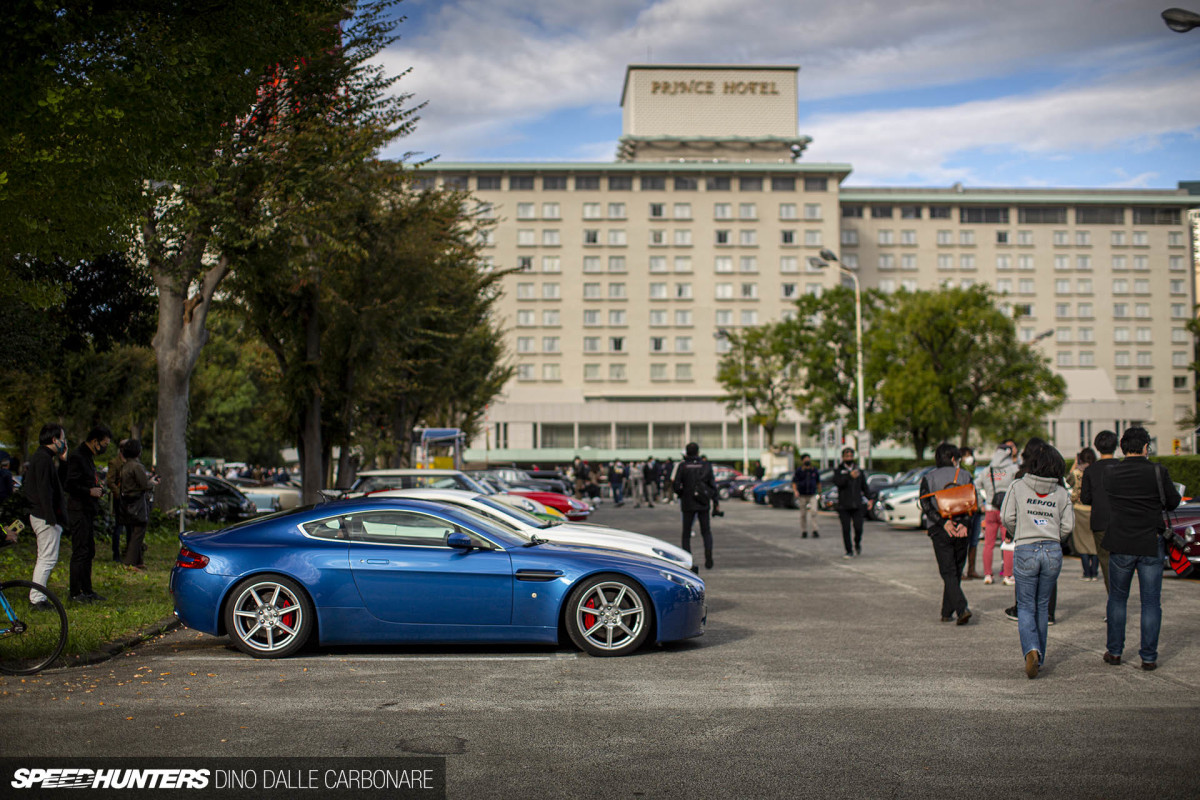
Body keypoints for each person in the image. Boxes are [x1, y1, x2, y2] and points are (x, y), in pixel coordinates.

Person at [1100, 426, 1180, 671]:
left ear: (1123, 447)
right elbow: (1174, 502)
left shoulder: (1111, 473)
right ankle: (1148, 656)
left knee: (1117, 599)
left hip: (1121, 542)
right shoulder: (1158, 471)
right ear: (1147, 447)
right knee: (1151, 602)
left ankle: (1114, 652)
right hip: (1150, 542)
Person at [1001, 444, 1074, 679]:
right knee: (1042, 605)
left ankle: (1030, 648)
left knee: (1025, 605)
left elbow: (1006, 517)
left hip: (1025, 549)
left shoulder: (1018, 486)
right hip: (1052, 550)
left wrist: (1019, 532)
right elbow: (1068, 526)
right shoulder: (1061, 492)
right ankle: (1039, 656)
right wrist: (1054, 536)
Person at [919, 443, 975, 625]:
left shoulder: (928, 478)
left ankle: (959, 608)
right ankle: (947, 611)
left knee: (947, 570)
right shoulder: (966, 476)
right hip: (963, 528)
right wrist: (963, 523)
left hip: (940, 528)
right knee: (956, 570)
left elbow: (926, 506)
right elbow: (973, 504)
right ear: (953, 459)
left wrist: (944, 522)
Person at [23, 424, 70, 609]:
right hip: (44, 516)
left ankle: (38, 596)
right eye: (62, 438)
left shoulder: (43, 458)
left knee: (45, 557)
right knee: (47, 558)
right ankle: (37, 598)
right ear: (54, 440)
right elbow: (44, 491)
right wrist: (51, 518)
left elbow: (57, 485)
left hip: (43, 515)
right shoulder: (43, 459)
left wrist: (64, 461)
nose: (64, 442)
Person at [63, 425, 112, 603]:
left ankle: (87, 589)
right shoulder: (77, 457)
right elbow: (70, 484)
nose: (105, 447)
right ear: (94, 441)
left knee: (89, 550)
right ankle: (75, 592)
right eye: (104, 444)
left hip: (87, 510)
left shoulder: (88, 457)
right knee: (80, 551)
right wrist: (89, 491)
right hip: (78, 510)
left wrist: (97, 490)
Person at [1079, 430, 1120, 592]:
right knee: (1122, 561)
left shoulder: (1090, 471)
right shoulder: (1122, 467)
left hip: (1100, 520)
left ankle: (1113, 602)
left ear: (1096, 447)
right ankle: (1121, 597)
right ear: (1116, 446)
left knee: (1106, 562)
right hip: (1121, 520)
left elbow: (1085, 498)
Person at [976, 439, 1018, 585]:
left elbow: (975, 486)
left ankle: (988, 575)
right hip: (1007, 511)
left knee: (988, 544)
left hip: (990, 510)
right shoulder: (1013, 469)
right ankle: (1007, 575)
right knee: (1008, 542)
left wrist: (981, 503)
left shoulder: (987, 470)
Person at [674, 442, 718, 572]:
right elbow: (712, 485)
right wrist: (715, 502)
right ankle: (708, 554)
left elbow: (676, 485)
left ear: (686, 453)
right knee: (706, 531)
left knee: (686, 533)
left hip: (688, 502)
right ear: (698, 452)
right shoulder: (706, 465)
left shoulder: (683, 466)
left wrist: (682, 494)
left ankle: (688, 561)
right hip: (703, 502)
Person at [118, 439, 156, 571]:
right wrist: (152, 483)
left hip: (127, 503)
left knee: (132, 532)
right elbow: (144, 484)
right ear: (138, 452)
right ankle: (130, 562)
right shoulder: (137, 466)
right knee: (138, 532)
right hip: (137, 503)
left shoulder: (125, 465)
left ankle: (138, 560)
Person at [1066, 447, 1099, 581]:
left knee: (1081, 542)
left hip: (1079, 508)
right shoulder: (1095, 471)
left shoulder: (1076, 473)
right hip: (1094, 508)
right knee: (1094, 543)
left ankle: (1087, 572)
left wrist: (1074, 463)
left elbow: (1067, 481)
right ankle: (1095, 572)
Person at [832, 447, 871, 558]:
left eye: (851, 456)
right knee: (846, 529)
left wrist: (869, 499)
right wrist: (849, 476)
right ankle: (848, 550)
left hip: (857, 504)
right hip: (844, 505)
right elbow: (838, 483)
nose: (849, 458)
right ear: (843, 457)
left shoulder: (859, 470)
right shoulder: (838, 470)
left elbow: (864, 486)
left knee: (859, 528)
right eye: (847, 456)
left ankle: (857, 543)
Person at [959, 446, 983, 579]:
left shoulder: (974, 474)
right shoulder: (960, 474)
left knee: (974, 541)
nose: (969, 458)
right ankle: (961, 570)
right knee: (964, 541)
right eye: (966, 455)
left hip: (977, 511)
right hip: (966, 512)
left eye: (970, 455)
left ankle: (971, 569)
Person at [105, 438, 128, 562]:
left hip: (129, 499)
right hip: (119, 499)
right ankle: (116, 553)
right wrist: (118, 493)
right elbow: (110, 481)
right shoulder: (114, 463)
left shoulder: (130, 462)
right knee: (118, 527)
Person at [791, 453, 821, 539]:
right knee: (803, 514)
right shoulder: (799, 471)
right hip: (802, 495)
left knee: (814, 512)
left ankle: (815, 530)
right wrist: (795, 491)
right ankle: (804, 530)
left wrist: (819, 492)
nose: (807, 460)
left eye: (808, 458)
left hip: (812, 494)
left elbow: (818, 482)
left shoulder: (814, 470)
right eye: (805, 459)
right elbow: (794, 482)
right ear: (802, 461)